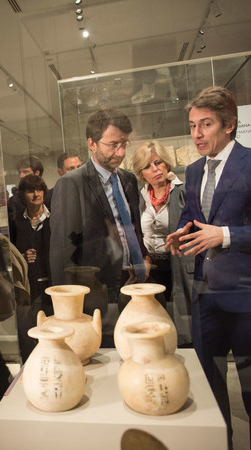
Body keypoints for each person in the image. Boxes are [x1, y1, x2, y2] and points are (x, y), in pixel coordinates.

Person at [165, 86, 251, 450]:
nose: (197, 134)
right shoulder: (192, 171)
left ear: (229, 126)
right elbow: (196, 217)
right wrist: (184, 231)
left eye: (205, 124)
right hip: (205, 295)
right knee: (209, 388)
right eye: (192, 125)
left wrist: (224, 235)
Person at [50, 108, 151, 320]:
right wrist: (68, 306)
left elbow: (133, 228)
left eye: (124, 144)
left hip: (134, 283)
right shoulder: (71, 184)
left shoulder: (128, 179)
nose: (121, 152)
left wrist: (142, 257)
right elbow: (63, 253)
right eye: (113, 145)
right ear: (92, 143)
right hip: (96, 291)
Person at [129, 141, 193, 345]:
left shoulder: (182, 191)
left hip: (178, 265)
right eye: (147, 166)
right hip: (150, 267)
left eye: (158, 162)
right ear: (141, 173)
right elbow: (134, 232)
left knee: (182, 325)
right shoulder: (138, 196)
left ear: (166, 164)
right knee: (153, 324)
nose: (155, 169)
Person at [10, 175, 52, 361]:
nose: (36, 194)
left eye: (39, 189)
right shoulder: (16, 221)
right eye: (30, 191)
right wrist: (22, 256)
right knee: (26, 336)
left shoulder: (55, 218)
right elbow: (10, 252)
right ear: (23, 195)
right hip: (27, 289)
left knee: (51, 335)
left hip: (52, 286)